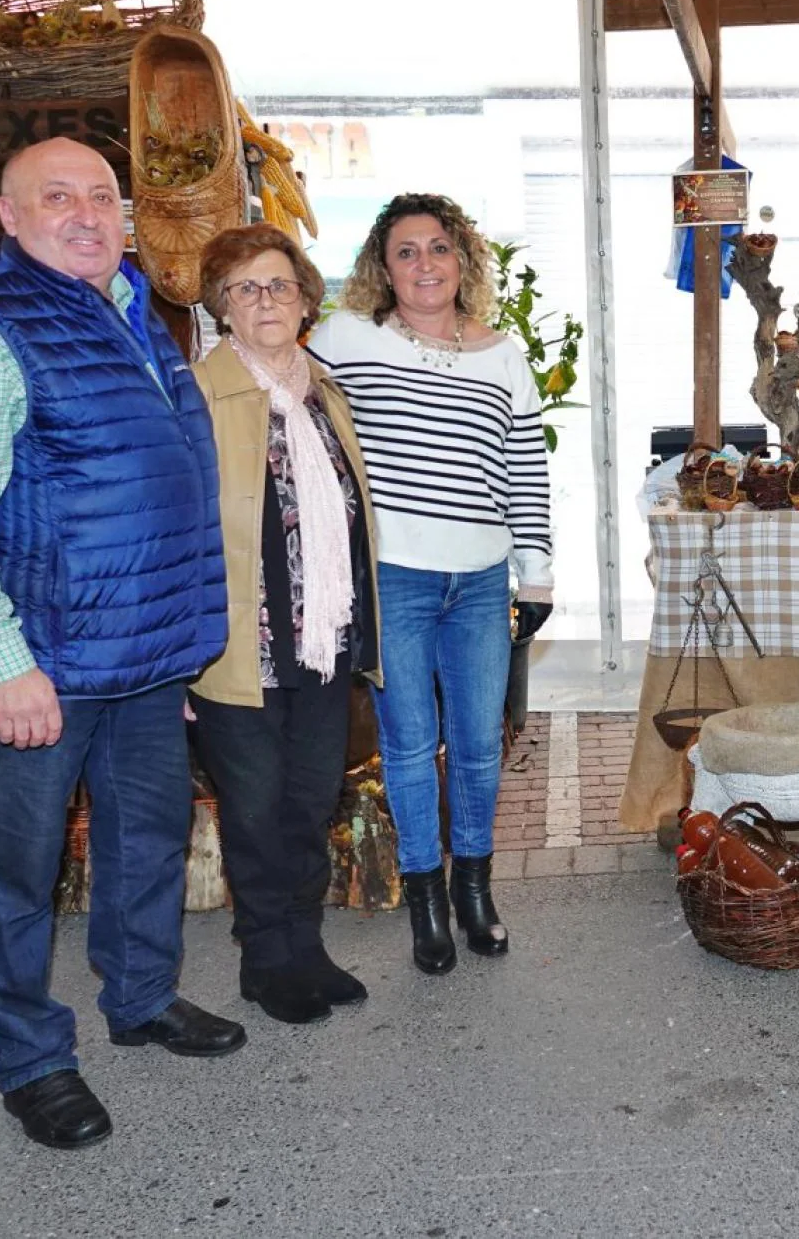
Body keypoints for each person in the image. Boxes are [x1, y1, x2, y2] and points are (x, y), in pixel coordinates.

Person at [0, 137, 239, 1152]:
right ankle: (32, 1059)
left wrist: (169, 650)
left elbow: (147, 492)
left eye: (104, 195)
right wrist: (0, 661)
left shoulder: (130, 305)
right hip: (37, 664)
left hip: (139, 658)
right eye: (59, 197)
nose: (90, 214)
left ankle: (140, 996)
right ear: (8, 215)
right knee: (17, 870)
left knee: (146, 840)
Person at [309, 193, 552, 976]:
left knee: (481, 744)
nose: (424, 264)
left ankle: (474, 888)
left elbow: (524, 469)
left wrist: (537, 573)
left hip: (481, 579)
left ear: (463, 261)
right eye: (406, 251)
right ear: (383, 266)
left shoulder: (503, 355)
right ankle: (426, 902)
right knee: (411, 747)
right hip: (394, 579)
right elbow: (280, 384)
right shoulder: (348, 339)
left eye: (438, 248)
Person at [187, 225, 381, 1026]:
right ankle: (266, 960)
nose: (265, 301)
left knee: (309, 800)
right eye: (245, 288)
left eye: (279, 285)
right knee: (257, 808)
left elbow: (352, 515)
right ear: (221, 308)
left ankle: (306, 945)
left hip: (321, 642)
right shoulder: (196, 396)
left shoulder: (323, 391)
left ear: (305, 299)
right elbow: (176, 530)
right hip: (239, 650)